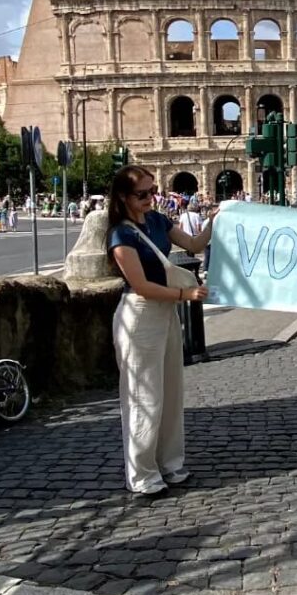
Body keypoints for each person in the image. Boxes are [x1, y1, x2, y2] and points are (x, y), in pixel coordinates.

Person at [106, 165, 214, 497]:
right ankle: (141, 473)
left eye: (153, 191)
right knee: (144, 397)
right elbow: (140, 286)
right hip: (139, 317)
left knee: (170, 393)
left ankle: (170, 462)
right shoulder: (120, 235)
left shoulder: (157, 220)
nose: (151, 198)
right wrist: (185, 295)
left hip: (166, 312)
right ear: (123, 197)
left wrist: (218, 220)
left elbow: (194, 244)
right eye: (142, 194)